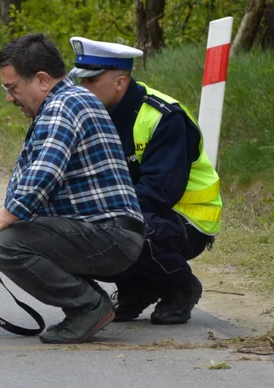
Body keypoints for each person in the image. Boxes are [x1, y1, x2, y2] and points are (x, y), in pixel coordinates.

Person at [0, 34, 145, 344]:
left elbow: (45, 174)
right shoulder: (67, 101)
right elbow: (46, 184)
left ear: (43, 79)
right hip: (105, 231)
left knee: (4, 245)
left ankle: (88, 306)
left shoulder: (63, 105)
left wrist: (4, 218)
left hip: (110, 234)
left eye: (12, 87)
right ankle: (90, 301)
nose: (9, 97)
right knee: (4, 233)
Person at [69, 36, 223, 325]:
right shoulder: (91, 114)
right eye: (81, 81)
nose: (83, 89)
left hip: (186, 219)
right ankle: (138, 288)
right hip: (141, 209)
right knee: (70, 228)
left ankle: (181, 288)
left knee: (132, 228)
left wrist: (100, 214)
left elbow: (160, 191)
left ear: (120, 82)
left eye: (91, 81)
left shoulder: (164, 116)